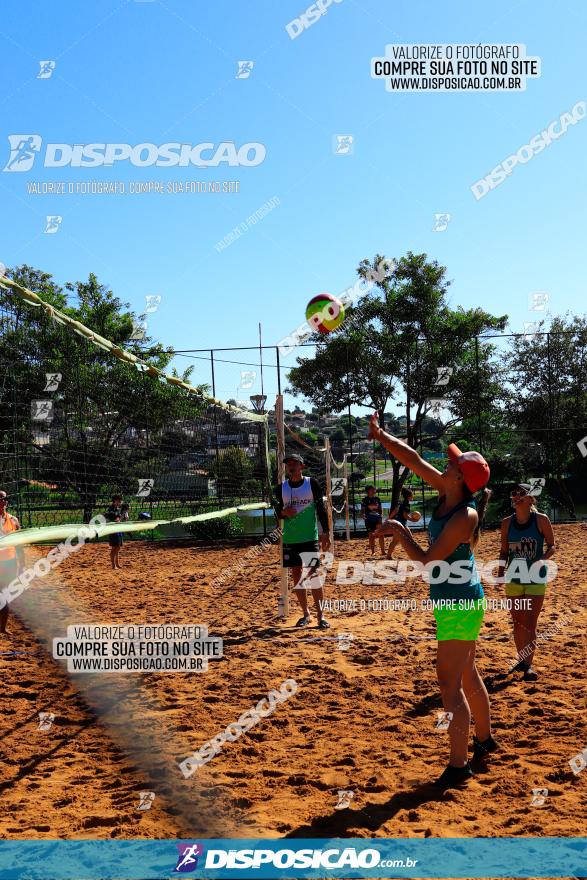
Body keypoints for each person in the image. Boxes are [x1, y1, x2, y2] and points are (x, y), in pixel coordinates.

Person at [368, 413, 496, 788]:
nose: (446, 463)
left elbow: (426, 563)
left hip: (459, 603)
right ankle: (485, 740)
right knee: (466, 673)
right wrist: (382, 436)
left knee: (448, 683)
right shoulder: (448, 489)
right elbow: (413, 459)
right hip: (457, 599)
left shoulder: (464, 515)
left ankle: (459, 767)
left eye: (453, 462)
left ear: (459, 476)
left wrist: (400, 531)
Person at [499, 483, 555, 682]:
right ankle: (522, 659)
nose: (516, 496)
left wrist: (542, 559)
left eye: (521, 493)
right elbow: (504, 551)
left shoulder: (541, 520)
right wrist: (499, 571)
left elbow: (552, 546)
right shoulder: (507, 522)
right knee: (518, 623)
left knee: (530, 623)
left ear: (531, 499)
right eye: (514, 493)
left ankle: (528, 666)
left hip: (535, 578)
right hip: (513, 577)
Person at [274, 454, 331, 628]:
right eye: (288, 464)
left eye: (294, 463)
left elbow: (321, 509)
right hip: (291, 539)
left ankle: (321, 616)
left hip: (309, 537)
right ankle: (306, 614)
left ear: (302, 466)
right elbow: (277, 511)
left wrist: (326, 532)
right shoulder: (280, 488)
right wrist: (284, 513)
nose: (290, 466)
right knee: (297, 575)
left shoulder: (311, 483)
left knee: (314, 575)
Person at [0, 490, 24, 634]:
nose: (3, 502)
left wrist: (22, 564)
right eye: (1, 499)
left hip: (9, 563)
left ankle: (2, 628)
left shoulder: (13, 520)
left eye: (4, 499)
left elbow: (20, 544)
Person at [385, 487, 419, 559]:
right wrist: (414, 520)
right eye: (412, 495)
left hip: (398, 523)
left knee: (395, 540)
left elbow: (395, 511)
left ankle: (388, 555)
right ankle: (415, 555)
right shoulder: (406, 504)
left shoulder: (401, 502)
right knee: (410, 539)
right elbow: (405, 515)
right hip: (401, 524)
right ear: (409, 496)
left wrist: (389, 517)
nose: (413, 496)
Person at [361, 485, 385, 555]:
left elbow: (380, 508)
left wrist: (381, 515)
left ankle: (383, 551)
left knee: (381, 534)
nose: (374, 491)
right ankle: (373, 552)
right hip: (369, 519)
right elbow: (362, 510)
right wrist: (363, 514)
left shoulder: (377, 498)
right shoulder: (364, 499)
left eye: (375, 489)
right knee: (371, 536)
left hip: (377, 518)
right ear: (368, 491)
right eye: (373, 489)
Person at [106, 494, 125, 570]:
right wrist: (115, 519)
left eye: (120, 501)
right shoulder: (110, 509)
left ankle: (117, 563)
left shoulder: (118, 509)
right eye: (118, 501)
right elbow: (108, 518)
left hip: (118, 529)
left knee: (118, 547)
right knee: (115, 547)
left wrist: (124, 516)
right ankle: (113, 565)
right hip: (113, 529)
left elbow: (119, 518)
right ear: (114, 501)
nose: (119, 503)